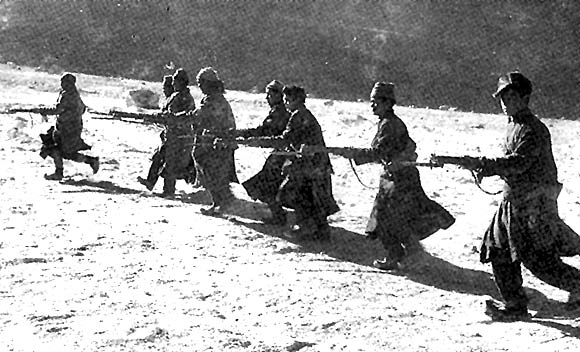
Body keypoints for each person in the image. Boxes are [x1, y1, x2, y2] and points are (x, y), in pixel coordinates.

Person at [473, 71, 580, 321]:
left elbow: (519, 163)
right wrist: (482, 167)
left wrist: (486, 165)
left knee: (539, 261)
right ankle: (515, 305)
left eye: (511, 96)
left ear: (525, 97)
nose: (506, 102)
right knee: (497, 250)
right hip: (512, 203)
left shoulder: (534, 129)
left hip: (533, 205)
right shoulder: (513, 125)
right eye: (502, 97)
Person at [351, 82, 455, 270]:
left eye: (376, 102)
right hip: (395, 178)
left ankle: (401, 256)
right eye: (371, 102)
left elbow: (379, 151)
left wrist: (356, 155)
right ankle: (402, 255)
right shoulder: (387, 122)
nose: (372, 106)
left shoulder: (390, 124)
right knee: (391, 217)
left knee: (386, 218)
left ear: (387, 103)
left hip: (400, 180)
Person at [243, 85, 339, 240]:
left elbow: (286, 139)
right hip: (318, 163)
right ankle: (320, 231)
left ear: (297, 100)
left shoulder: (298, 116)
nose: (285, 103)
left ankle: (307, 229)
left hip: (310, 165)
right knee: (313, 197)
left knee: (293, 194)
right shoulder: (305, 114)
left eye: (288, 100)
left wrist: (259, 141)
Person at [238, 80, 291, 224]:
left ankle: (278, 215)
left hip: (283, 153)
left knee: (265, 183)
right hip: (283, 151)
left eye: (269, 95)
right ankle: (278, 214)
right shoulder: (280, 110)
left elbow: (265, 130)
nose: (267, 98)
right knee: (269, 183)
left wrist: (243, 133)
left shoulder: (278, 112)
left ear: (278, 96)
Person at [191, 67, 239, 214]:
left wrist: (184, 117)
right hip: (210, 141)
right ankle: (219, 203)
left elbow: (202, 116)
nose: (199, 85)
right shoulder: (210, 98)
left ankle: (222, 204)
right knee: (210, 173)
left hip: (219, 143)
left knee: (215, 175)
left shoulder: (215, 99)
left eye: (201, 82)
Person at [143, 68, 196, 197]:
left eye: (175, 81)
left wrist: (170, 118)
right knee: (158, 157)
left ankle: (168, 191)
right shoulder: (175, 96)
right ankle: (150, 183)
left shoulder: (185, 98)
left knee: (171, 164)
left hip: (180, 137)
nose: (173, 84)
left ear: (182, 82)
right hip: (170, 135)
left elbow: (186, 118)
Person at [40, 73, 99, 180]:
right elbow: (83, 109)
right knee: (66, 152)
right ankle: (90, 161)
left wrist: (44, 110)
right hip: (72, 128)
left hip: (66, 130)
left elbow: (58, 110)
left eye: (63, 82)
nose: (61, 84)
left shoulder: (67, 95)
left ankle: (59, 172)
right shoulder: (75, 94)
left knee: (53, 149)